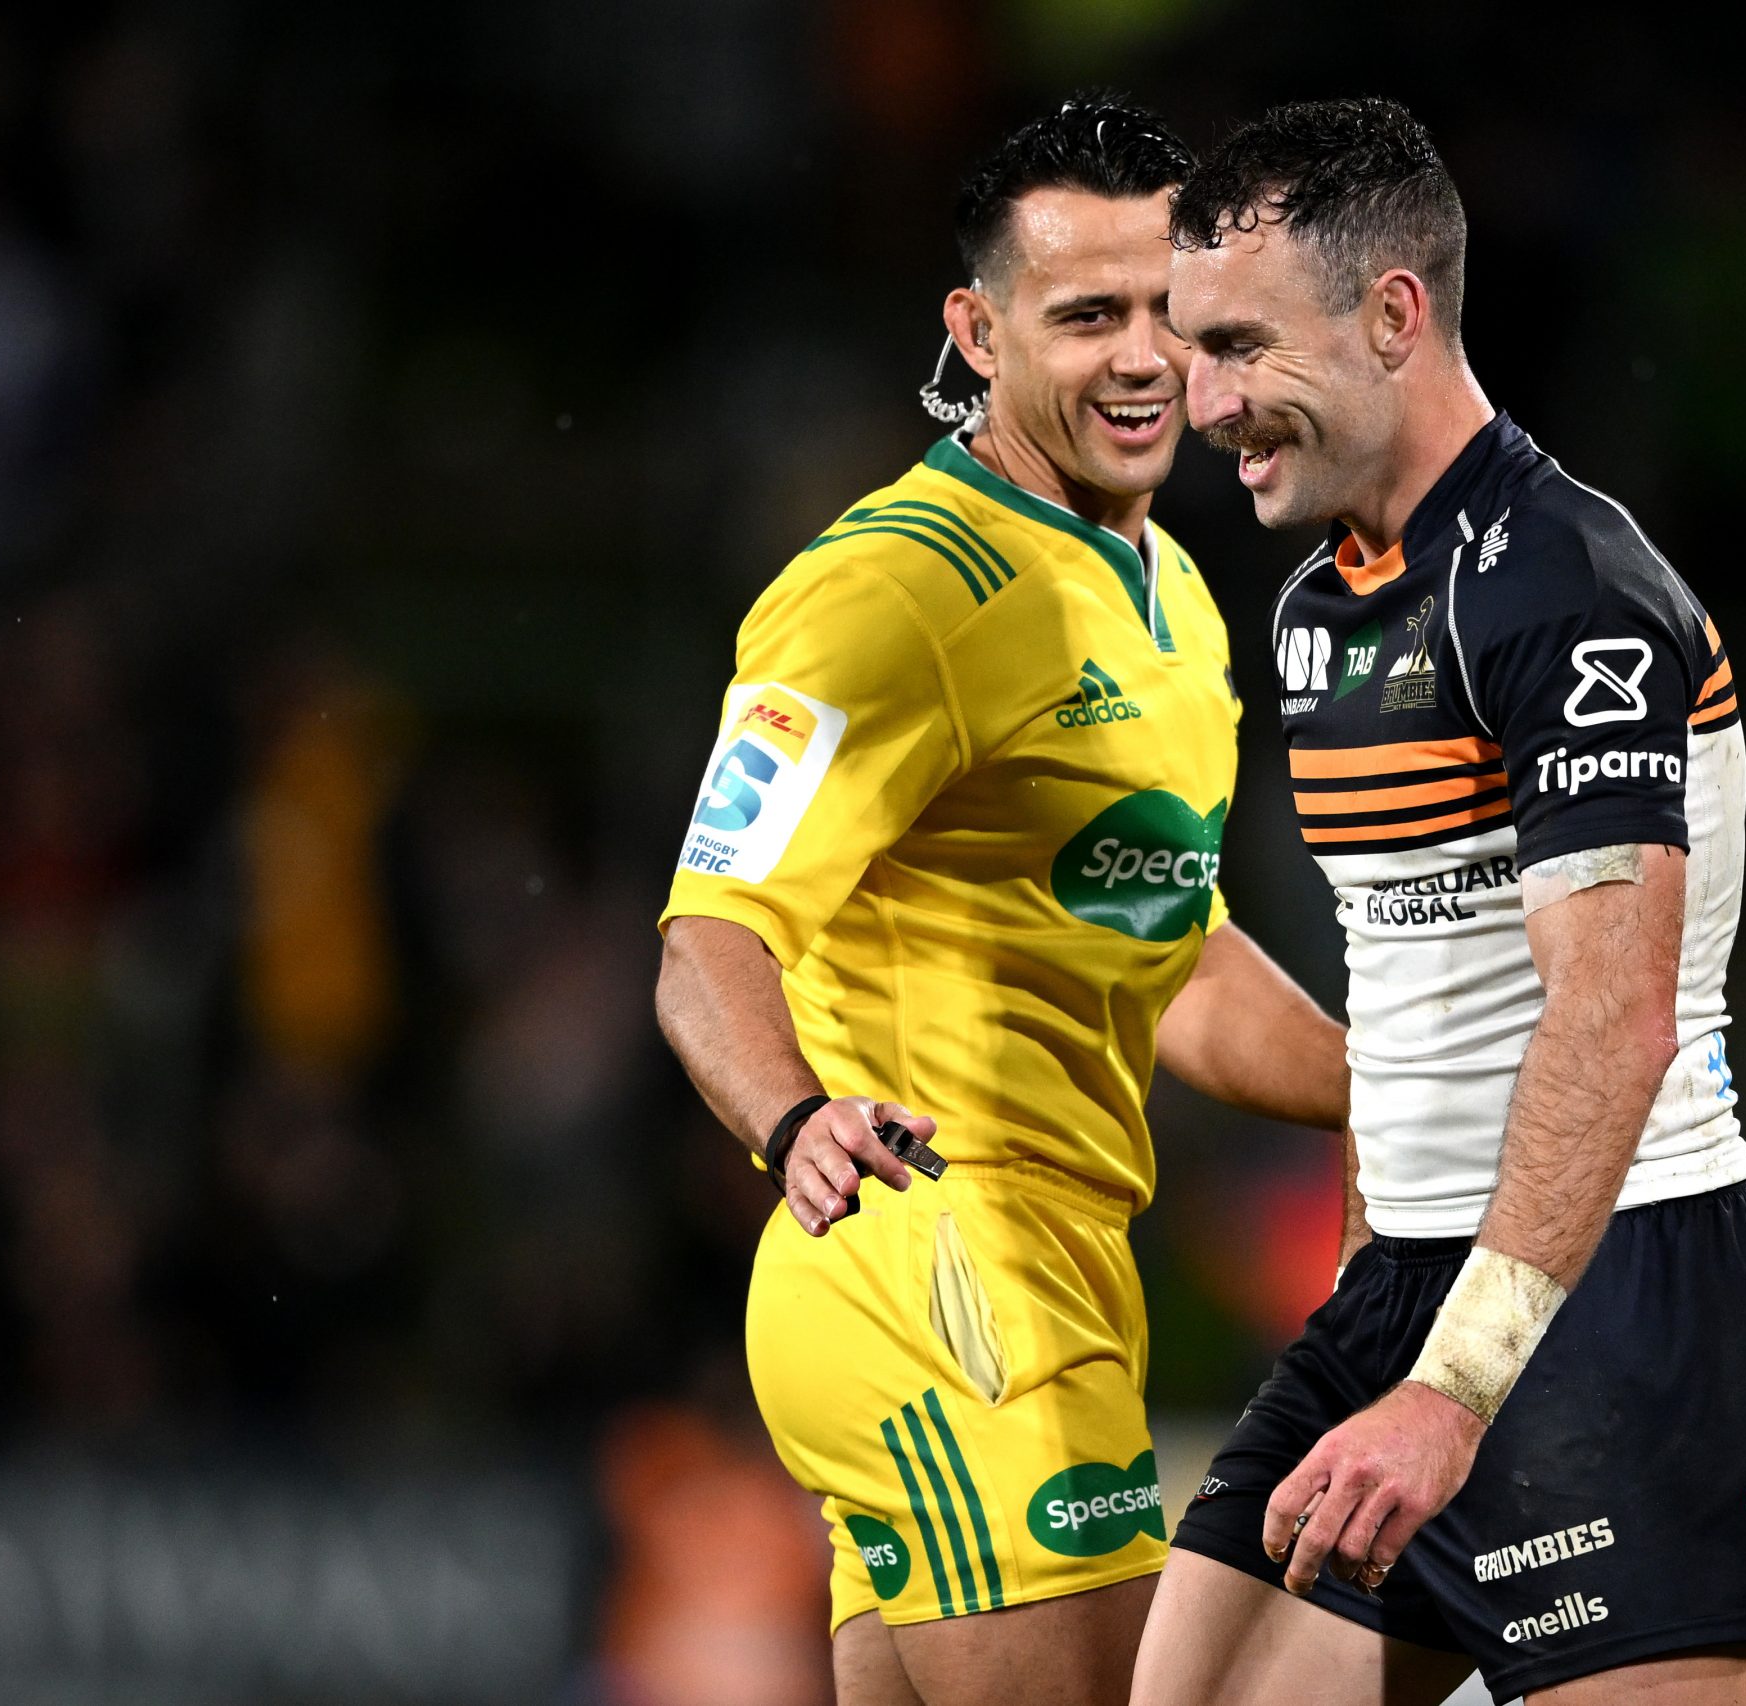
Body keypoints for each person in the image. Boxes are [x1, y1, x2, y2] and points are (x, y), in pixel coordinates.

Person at [653, 97, 1348, 1706]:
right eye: (1085, 315)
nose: (1141, 358)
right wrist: (790, 1115)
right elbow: (709, 938)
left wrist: (1414, 1081)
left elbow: (1171, 955)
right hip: (938, 1279)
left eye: (1169, 311)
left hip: (1055, 1273)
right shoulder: (891, 592)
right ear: (975, 332)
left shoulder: (1172, 591)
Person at [1141, 97, 1746, 1706]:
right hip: (1408, 1294)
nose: (1202, 401)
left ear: (1392, 315)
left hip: (1620, 1301)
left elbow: (1614, 1013)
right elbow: (1411, 1000)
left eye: (1238, 345)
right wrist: (1387, 1292)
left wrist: (1456, 1391)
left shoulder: (1571, 590)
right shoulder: (1317, 609)